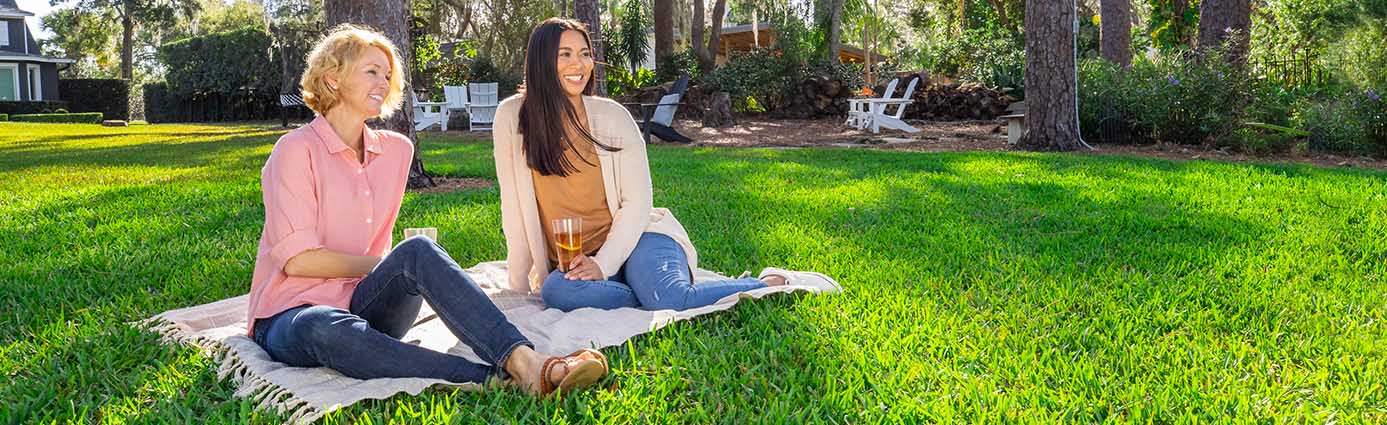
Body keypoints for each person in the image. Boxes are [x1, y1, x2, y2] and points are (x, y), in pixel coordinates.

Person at [246, 24, 605, 396]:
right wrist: (383, 265)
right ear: (333, 80)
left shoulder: (395, 152)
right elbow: (299, 262)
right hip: (291, 316)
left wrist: (402, 265)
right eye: (371, 72)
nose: (384, 83)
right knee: (321, 326)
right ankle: (491, 379)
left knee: (417, 250)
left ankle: (523, 361)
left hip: (364, 303)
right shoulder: (294, 151)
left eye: (388, 75)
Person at [492, 18, 842, 312]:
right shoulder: (511, 117)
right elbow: (515, 210)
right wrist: (519, 286)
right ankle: (644, 291)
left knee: (671, 297)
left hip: (639, 237)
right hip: (576, 259)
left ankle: (771, 281)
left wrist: (603, 265)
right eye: (564, 54)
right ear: (540, 61)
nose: (578, 65)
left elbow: (637, 204)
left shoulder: (613, 118)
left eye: (584, 54)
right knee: (555, 292)